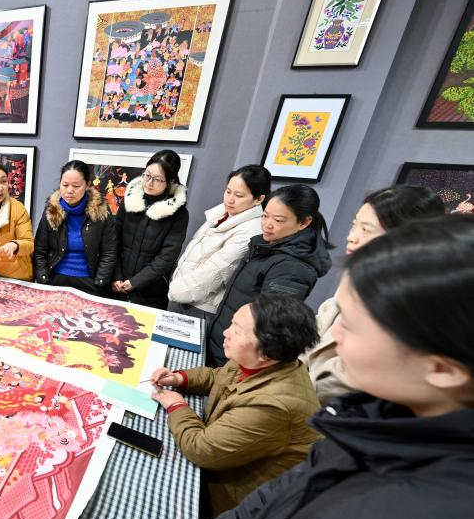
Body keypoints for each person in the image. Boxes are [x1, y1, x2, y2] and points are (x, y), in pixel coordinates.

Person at [164, 215, 474, 519]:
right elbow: (291, 489)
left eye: (353, 323)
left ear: (442, 368)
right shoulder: (379, 419)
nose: (332, 336)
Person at [151, 293, 321, 517]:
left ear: (267, 352)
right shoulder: (263, 361)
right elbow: (220, 376)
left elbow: (201, 449)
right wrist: (180, 378)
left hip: (232, 502)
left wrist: (177, 406)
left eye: (237, 331)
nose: (226, 332)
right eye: (232, 324)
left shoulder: (274, 406)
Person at [302, 185, 445, 405]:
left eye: (366, 230)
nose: (352, 237)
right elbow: (318, 326)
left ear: (405, 238)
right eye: (354, 225)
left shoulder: (412, 299)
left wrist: (296, 389)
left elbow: (352, 378)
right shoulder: (357, 273)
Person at [206, 184, 332, 367]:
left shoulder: (293, 268)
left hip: (234, 361)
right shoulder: (268, 247)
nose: (267, 224)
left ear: (303, 223)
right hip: (223, 346)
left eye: (278, 220)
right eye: (265, 216)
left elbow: (266, 325)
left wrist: (232, 366)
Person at [168, 165, 271, 321]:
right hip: (185, 295)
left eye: (239, 195)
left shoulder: (250, 231)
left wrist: (176, 290)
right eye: (228, 191)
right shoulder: (222, 214)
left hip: (202, 305)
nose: (230, 199)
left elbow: (215, 270)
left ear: (259, 199)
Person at [112, 150, 189, 309]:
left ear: (170, 180)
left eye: (158, 179)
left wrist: (135, 282)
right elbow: (113, 241)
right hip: (116, 286)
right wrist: (116, 276)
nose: (149, 183)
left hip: (150, 293)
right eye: (147, 175)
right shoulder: (130, 200)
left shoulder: (178, 214)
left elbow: (167, 257)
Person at [33, 160, 116, 295]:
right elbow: (40, 250)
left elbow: (109, 252)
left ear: (87, 185)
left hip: (90, 281)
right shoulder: (51, 210)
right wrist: (43, 280)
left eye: (76, 186)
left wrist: (100, 283)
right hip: (55, 279)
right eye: (65, 185)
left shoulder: (101, 211)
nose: (69, 191)